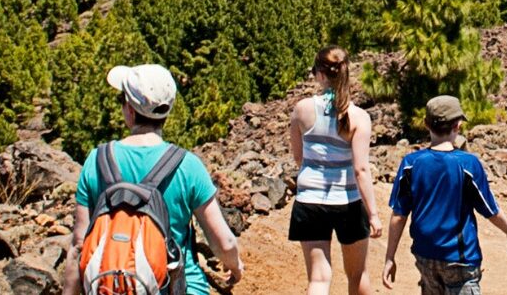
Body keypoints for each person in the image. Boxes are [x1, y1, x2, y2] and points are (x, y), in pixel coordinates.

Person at [62, 64, 243, 295]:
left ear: (129, 109)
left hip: (110, 287)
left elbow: (79, 245)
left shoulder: (96, 161)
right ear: (168, 110)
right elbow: (224, 243)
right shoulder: (188, 166)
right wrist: (235, 267)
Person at [383, 95, 507, 294]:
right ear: (457, 126)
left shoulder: (411, 163)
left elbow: (399, 215)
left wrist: (389, 257)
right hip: (459, 258)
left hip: (425, 256)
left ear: (426, 124)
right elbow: (490, 210)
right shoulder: (467, 164)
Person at [288, 46, 383, 295]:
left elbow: (299, 158)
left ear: (320, 74)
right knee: (358, 274)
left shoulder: (302, 109)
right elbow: (361, 169)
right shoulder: (359, 117)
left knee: (319, 279)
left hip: (309, 201)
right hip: (348, 202)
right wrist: (373, 214)